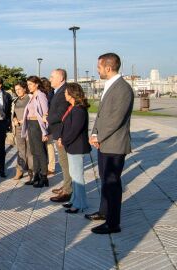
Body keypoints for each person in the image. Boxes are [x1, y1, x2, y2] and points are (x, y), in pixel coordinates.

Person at [86, 53, 134, 234]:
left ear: (108, 67)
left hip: (114, 144)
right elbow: (101, 116)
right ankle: (103, 212)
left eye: (99, 67)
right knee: (105, 181)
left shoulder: (122, 89)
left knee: (112, 183)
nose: (97, 70)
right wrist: (94, 133)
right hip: (105, 142)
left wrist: (99, 137)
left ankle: (113, 223)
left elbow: (116, 119)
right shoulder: (110, 86)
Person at [58, 83, 91, 214]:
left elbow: (74, 130)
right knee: (74, 174)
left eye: (66, 92)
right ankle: (74, 199)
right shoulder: (73, 108)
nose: (64, 94)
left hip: (77, 146)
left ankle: (80, 204)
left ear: (72, 94)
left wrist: (64, 140)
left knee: (77, 177)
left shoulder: (79, 109)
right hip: (72, 146)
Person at [47, 69, 73, 203]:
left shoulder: (64, 91)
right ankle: (66, 185)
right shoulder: (57, 91)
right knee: (63, 162)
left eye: (52, 77)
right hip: (58, 131)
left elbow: (62, 113)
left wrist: (48, 119)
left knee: (65, 162)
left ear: (61, 78)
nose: (50, 79)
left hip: (62, 132)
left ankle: (67, 191)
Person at [21, 76, 49, 187]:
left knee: (41, 152)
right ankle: (36, 176)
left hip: (38, 126)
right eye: (28, 84)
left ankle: (44, 177)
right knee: (34, 152)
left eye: (30, 84)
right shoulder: (32, 96)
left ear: (37, 84)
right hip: (31, 125)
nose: (28, 87)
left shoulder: (41, 95)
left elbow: (45, 114)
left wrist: (45, 132)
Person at [11, 81, 33, 180]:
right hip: (18, 128)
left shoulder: (31, 98)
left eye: (19, 89)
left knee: (30, 150)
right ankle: (19, 170)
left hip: (29, 127)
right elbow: (13, 114)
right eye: (16, 90)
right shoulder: (15, 101)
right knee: (20, 150)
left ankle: (31, 171)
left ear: (24, 88)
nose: (18, 91)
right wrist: (15, 119)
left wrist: (24, 120)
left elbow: (34, 112)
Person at [41, 77, 56, 175]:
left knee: (49, 145)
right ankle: (49, 165)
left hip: (48, 123)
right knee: (48, 145)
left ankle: (51, 167)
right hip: (46, 122)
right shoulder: (50, 93)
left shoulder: (49, 95)